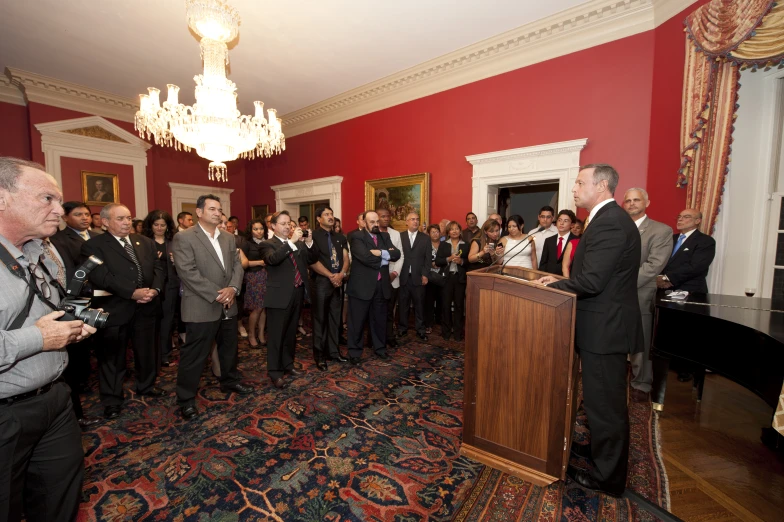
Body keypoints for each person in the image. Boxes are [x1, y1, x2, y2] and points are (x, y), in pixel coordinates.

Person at [535, 164, 643, 497]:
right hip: (599, 324)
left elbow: (594, 281)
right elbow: (595, 273)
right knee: (597, 400)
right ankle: (600, 455)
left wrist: (556, 285)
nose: (574, 188)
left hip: (605, 328)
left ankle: (608, 478)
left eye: (580, 182)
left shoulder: (610, 221)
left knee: (605, 405)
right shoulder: (604, 218)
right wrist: (560, 279)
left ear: (601, 186)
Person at [0, 158, 97, 522]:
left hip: (56, 399)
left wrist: (70, 327)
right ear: (2, 198)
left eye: (60, 200)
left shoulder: (44, 251)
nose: (60, 210)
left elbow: (51, 308)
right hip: (6, 412)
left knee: (60, 498)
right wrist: (39, 338)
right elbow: (37, 332)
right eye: (47, 199)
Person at [82, 203, 165, 419]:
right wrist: (132, 292)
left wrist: (154, 290)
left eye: (128, 218)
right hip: (114, 309)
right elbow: (101, 277)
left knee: (147, 351)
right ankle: (112, 399)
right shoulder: (94, 246)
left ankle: (146, 385)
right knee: (112, 357)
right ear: (105, 222)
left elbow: (158, 268)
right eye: (120, 219)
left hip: (147, 306)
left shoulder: (144, 242)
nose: (127, 222)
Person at [173, 194, 252, 420]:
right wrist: (219, 294)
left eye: (219, 209)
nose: (217, 213)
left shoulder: (228, 238)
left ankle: (230, 382)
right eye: (212, 209)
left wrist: (233, 289)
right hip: (202, 305)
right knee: (195, 355)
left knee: (229, 348)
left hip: (229, 303)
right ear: (199, 212)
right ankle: (186, 399)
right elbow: (188, 273)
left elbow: (238, 265)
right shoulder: (185, 238)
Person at [49, 201, 101, 428]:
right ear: (66, 218)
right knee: (74, 357)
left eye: (87, 214)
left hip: (103, 296)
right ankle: (74, 413)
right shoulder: (58, 241)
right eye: (78, 214)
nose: (85, 218)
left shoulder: (98, 236)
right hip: (74, 300)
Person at [623, 188, 672, 401]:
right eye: (628, 201)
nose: (632, 203)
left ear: (647, 202)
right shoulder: (620, 228)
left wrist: (622, 284)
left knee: (640, 341)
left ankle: (641, 383)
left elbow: (654, 266)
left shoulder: (661, 231)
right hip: (614, 294)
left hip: (640, 292)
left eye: (636, 200)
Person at [260, 211, 315, 388]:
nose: (287, 227)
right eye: (283, 224)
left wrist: (308, 243)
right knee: (276, 336)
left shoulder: (297, 244)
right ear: (273, 226)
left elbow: (311, 259)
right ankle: (275, 372)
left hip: (297, 292)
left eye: (288, 223)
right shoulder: (267, 244)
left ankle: (288, 365)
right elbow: (273, 259)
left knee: (291, 333)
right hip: (278, 296)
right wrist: (291, 243)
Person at [346, 211, 400, 364]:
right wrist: (385, 257)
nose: (376, 224)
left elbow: (396, 254)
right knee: (357, 322)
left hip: (381, 286)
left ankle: (380, 349)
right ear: (364, 222)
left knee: (379, 320)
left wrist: (380, 252)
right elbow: (365, 257)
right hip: (361, 287)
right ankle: (355, 353)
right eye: (372, 222)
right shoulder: (356, 237)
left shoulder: (385, 236)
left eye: (377, 221)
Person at [309, 206, 349, 370]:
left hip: (338, 281)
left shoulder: (340, 237)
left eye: (331, 214)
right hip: (321, 281)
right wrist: (330, 276)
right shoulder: (313, 236)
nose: (330, 217)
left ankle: (334, 352)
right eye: (326, 215)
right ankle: (320, 356)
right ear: (319, 219)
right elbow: (312, 261)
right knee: (320, 319)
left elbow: (346, 258)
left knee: (335, 319)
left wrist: (341, 274)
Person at [141, 210, 180, 367]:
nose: (159, 228)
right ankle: (151, 354)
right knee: (151, 322)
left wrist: (176, 260)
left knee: (167, 321)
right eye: (156, 225)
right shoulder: (143, 241)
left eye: (163, 225)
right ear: (150, 226)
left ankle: (165, 354)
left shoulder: (173, 241)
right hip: (149, 287)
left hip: (170, 285)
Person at [657, 209, 716, 294]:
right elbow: (660, 259)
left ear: (697, 221)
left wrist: (667, 278)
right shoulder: (669, 238)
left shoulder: (705, 241)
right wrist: (659, 277)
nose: (680, 219)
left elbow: (696, 266)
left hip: (690, 291)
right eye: (679, 217)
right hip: (663, 290)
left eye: (686, 217)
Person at [397, 212, 430, 341]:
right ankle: (402, 328)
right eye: (412, 219)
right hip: (403, 276)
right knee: (403, 305)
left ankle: (420, 330)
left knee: (419, 305)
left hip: (419, 277)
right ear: (406, 222)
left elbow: (427, 259)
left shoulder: (425, 238)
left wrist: (425, 275)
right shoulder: (400, 237)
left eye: (417, 219)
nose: (415, 222)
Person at [436, 221, 468, 341]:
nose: (454, 231)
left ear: (460, 231)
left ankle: (458, 333)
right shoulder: (443, 244)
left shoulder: (466, 245)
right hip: (447, 278)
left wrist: (462, 262)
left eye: (457, 228)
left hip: (460, 279)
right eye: (452, 229)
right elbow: (438, 261)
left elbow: (469, 262)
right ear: (448, 232)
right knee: (446, 305)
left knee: (459, 306)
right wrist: (448, 259)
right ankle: (446, 332)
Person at [377, 208, 404, 348]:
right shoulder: (373, 233)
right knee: (376, 311)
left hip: (393, 279)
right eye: (383, 216)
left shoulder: (395, 234)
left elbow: (401, 255)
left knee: (389, 311)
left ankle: (389, 337)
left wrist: (394, 273)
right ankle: (376, 339)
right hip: (377, 279)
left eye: (388, 216)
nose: (386, 218)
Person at [241, 218, 268, 348]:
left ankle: (261, 335)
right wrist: (260, 262)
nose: (259, 231)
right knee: (257, 308)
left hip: (267, 276)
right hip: (254, 276)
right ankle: (251, 335)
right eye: (255, 229)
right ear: (250, 230)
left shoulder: (267, 242)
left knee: (264, 308)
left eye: (261, 228)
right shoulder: (247, 244)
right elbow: (242, 262)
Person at [539, 210, 577, 275]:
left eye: (565, 221)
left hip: (567, 279)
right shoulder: (549, 240)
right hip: (549, 278)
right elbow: (543, 263)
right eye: (559, 220)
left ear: (572, 225)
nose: (561, 223)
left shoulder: (576, 241)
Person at [424, 224, 444, 335]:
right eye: (433, 232)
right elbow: (422, 258)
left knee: (441, 300)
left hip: (442, 276)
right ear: (428, 234)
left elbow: (447, 258)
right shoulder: (426, 245)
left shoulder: (444, 244)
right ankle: (428, 324)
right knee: (429, 301)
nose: (435, 234)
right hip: (430, 277)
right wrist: (431, 264)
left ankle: (439, 321)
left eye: (437, 231)